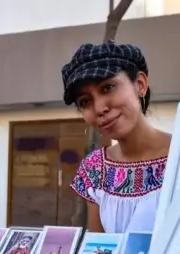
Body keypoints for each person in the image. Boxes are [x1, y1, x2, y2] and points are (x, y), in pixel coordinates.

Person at [62, 40, 171, 234]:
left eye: (108, 88)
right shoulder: (95, 168)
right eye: (85, 101)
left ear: (140, 84)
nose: (99, 108)